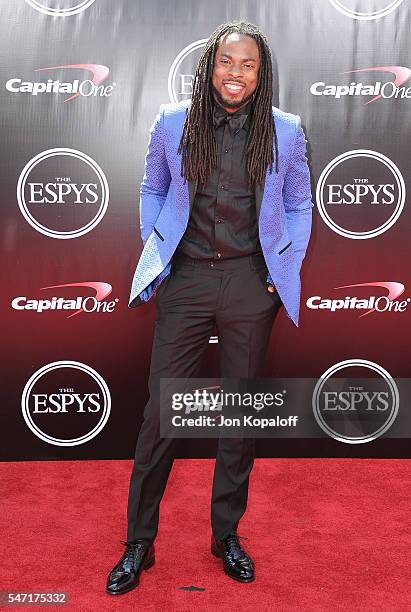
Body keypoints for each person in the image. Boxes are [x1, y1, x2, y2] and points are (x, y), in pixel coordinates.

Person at [106, 20, 313, 595]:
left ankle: (226, 536)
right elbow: (152, 188)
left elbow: (299, 202)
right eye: (228, 62)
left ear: (261, 72)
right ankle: (138, 543)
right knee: (160, 415)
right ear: (210, 65)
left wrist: (283, 268)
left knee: (239, 417)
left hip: (252, 283)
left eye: (248, 65)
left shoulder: (286, 131)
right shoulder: (173, 123)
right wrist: (161, 254)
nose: (236, 74)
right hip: (188, 282)